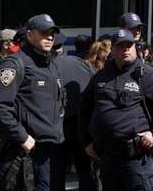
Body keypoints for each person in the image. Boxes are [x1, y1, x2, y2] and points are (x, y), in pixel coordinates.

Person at [79, 29, 153, 191]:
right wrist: (86, 142)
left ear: (135, 48)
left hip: (136, 159)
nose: (125, 49)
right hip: (107, 157)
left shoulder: (147, 74)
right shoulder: (101, 76)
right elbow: (84, 109)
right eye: (121, 46)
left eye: (129, 46)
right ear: (112, 50)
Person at [0, 14, 65, 191]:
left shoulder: (51, 65)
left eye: (53, 33)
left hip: (45, 153)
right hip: (18, 153)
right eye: (44, 33)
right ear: (30, 35)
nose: (50, 37)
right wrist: (22, 137)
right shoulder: (14, 64)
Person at [54, 35, 98, 191]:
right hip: (81, 126)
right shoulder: (82, 64)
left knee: (56, 173)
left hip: (57, 127)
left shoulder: (46, 66)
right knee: (86, 170)